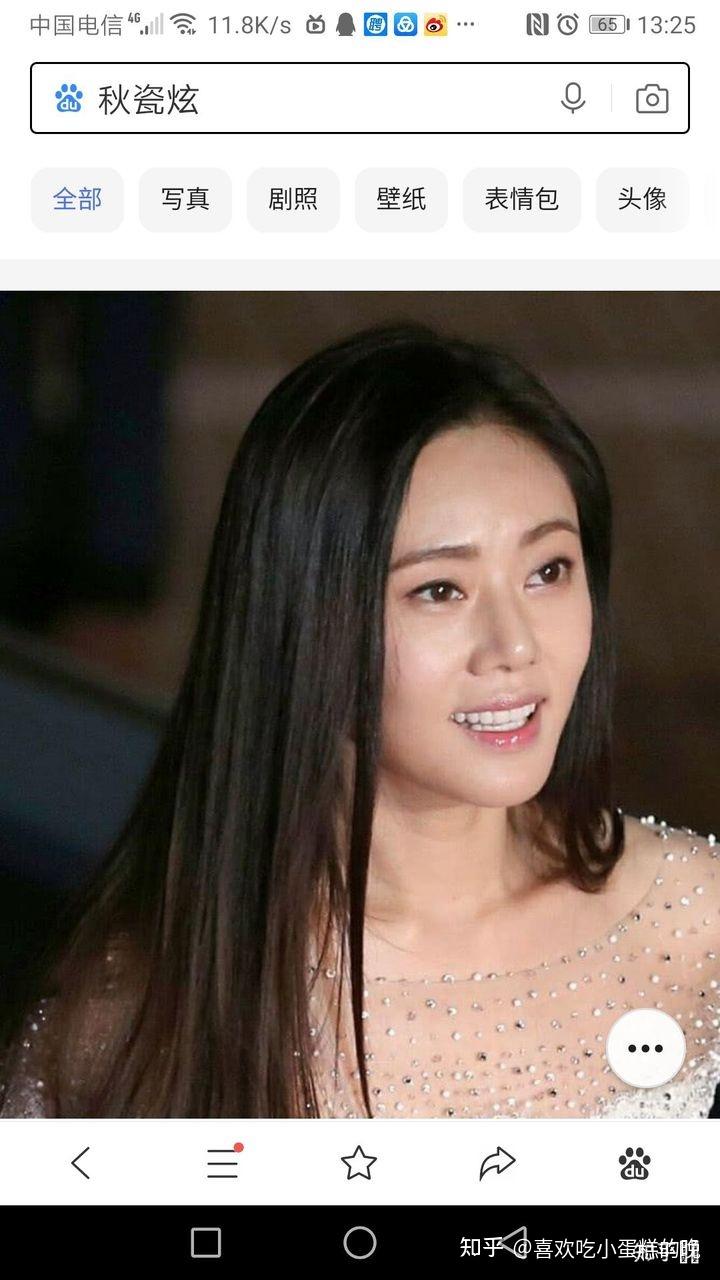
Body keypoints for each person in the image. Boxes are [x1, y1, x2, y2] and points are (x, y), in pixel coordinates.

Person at [1, 324, 717, 1119]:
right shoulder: (140, 1014)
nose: (516, 646)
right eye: (439, 590)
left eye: (549, 571)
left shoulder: (699, 926)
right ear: (303, 619)